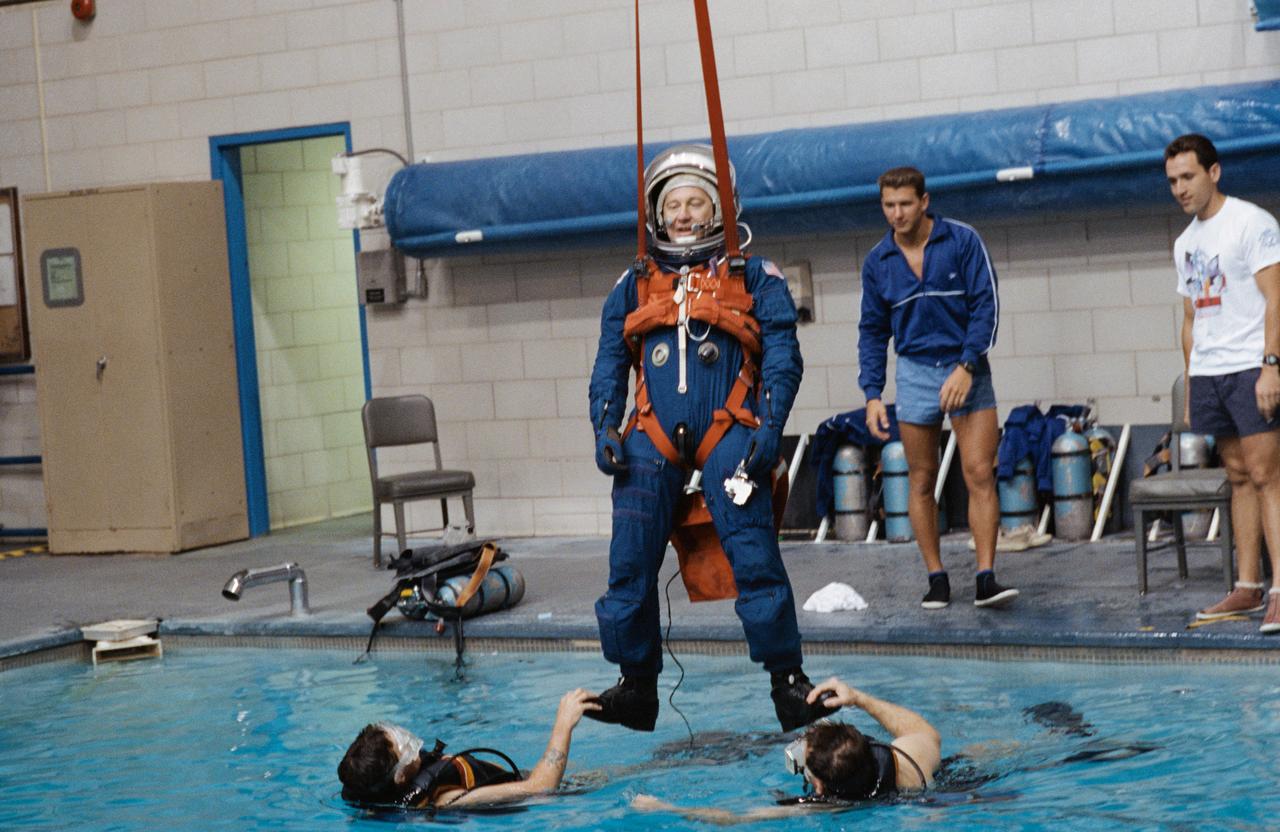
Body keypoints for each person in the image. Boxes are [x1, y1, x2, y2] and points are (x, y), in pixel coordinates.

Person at [587, 143, 832, 733]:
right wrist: (604, 426)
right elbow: (608, 362)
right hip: (649, 435)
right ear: (656, 214)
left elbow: (782, 355)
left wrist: (771, 427)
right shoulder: (634, 284)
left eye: (697, 202)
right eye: (674, 204)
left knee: (755, 558)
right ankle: (636, 686)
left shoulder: (754, 276)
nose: (684, 215)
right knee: (629, 560)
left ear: (722, 210)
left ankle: (788, 682)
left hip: (732, 433)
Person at [858, 166, 1016, 610]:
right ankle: (937, 577)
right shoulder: (878, 262)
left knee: (979, 472)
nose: (897, 213)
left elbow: (987, 306)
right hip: (914, 372)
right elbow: (872, 331)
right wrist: (872, 393)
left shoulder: (963, 241)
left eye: (905, 204)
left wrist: (967, 365)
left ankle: (986, 576)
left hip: (966, 367)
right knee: (921, 478)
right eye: (889, 205)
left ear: (924, 202)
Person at [1165, 134, 1280, 633]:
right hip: (1210, 371)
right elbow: (1190, 319)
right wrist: (1192, 382)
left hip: (1249, 366)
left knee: (1267, 475)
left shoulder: (1252, 222)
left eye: (1187, 176)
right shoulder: (1185, 243)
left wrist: (1271, 364)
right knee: (1236, 476)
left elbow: (1276, 298)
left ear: (1214, 172)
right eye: (1172, 181)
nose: (1180, 189)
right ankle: (1249, 586)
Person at [631, 677, 941, 823]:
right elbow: (925, 733)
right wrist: (859, 698)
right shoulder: (906, 763)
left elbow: (733, 819)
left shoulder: (826, 805)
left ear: (819, 786)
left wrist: (665, 808)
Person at [336, 688, 599, 810]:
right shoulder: (447, 800)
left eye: (396, 732)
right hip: (559, 795)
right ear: (401, 776)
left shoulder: (384, 785)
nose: (410, 740)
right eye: (404, 745)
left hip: (525, 776)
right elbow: (542, 788)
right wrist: (564, 723)